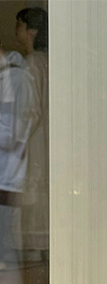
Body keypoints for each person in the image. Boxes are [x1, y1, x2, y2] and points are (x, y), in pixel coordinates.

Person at [0, 29, 33, 284]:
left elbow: (10, 135)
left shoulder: (14, 77)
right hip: (6, 186)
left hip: (5, 187)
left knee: (7, 269)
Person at [16, 7, 48, 261]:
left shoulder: (32, 64)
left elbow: (30, 112)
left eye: (20, 25)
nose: (17, 31)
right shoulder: (46, 61)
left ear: (32, 31)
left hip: (36, 145)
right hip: (46, 143)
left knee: (35, 200)